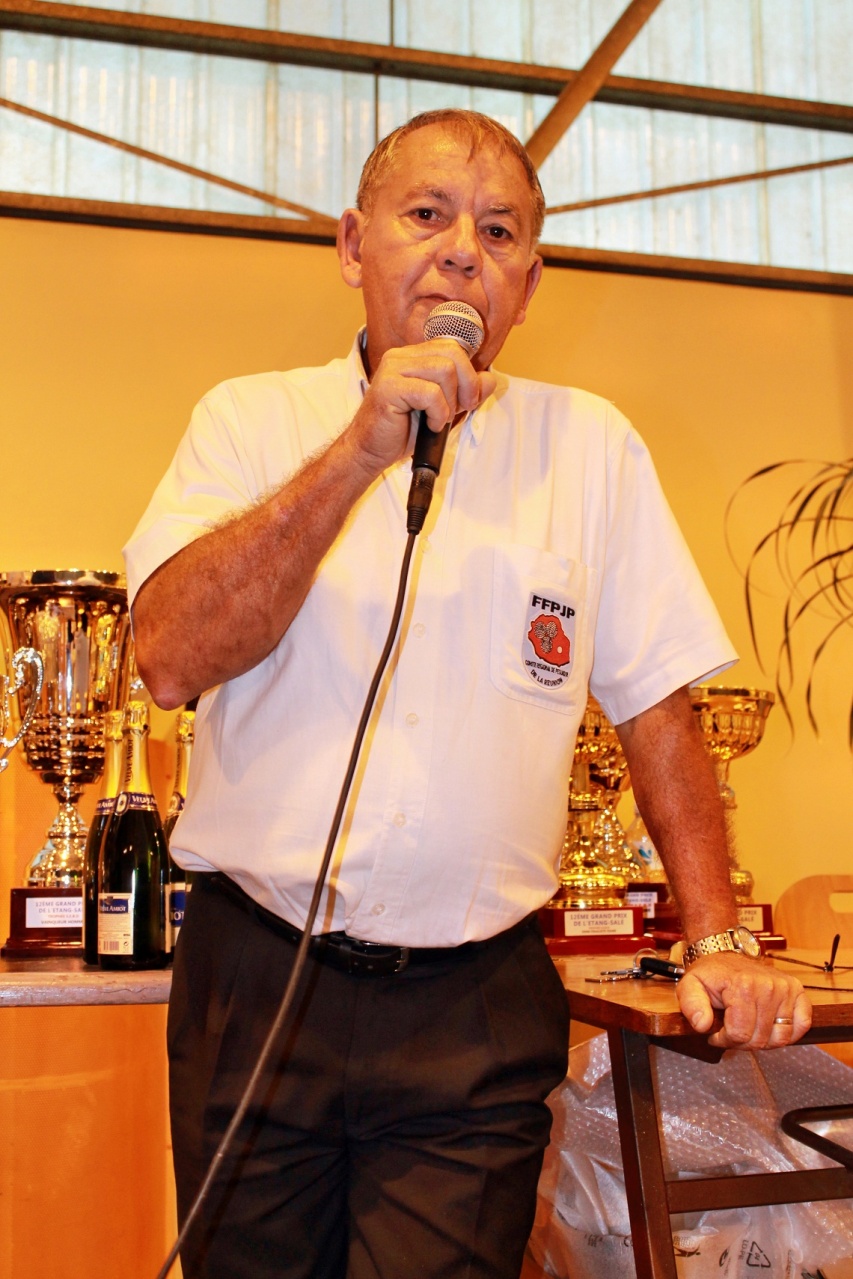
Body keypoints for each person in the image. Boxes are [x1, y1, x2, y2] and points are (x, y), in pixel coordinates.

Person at [125, 109, 811, 1279]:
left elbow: (656, 706)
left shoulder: (587, 448)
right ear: (353, 245)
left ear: (527, 284)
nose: (460, 252)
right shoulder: (248, 420)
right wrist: (360, 449)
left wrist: (719, 933)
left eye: (497, 232)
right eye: (427, 215)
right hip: (258, 981)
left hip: (472, 1007)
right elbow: (170, 657)